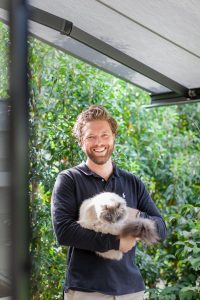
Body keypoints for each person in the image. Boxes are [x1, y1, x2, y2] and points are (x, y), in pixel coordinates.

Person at [51, 105, 167, 300]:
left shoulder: (132, 182)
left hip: (131, 291)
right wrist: (115, 242)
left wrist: (133, 214)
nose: (99, 142)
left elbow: (160, 229)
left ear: (113, 137)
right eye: (90, 137)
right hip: (86, 291)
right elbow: (64, 232)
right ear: (81, 141)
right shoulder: (69, 179)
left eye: (105, 135)